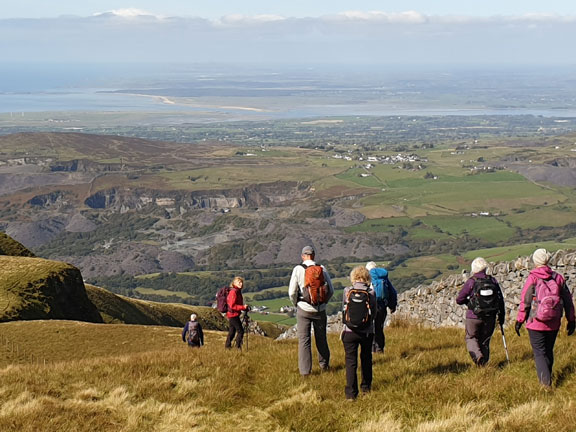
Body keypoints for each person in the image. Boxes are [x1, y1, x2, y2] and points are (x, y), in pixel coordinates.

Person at [515, 248, 575, 387]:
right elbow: (568, 300)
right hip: (554, 321)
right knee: (548, 350)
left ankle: (545, 385)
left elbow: (526, 300)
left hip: (535, 322)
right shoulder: (558, 278)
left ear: (535, 262)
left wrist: (519, 320)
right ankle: (548, 376)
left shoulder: (533, 278)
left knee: (539, 353)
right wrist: (571, 320)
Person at [288, 245, 334, 376]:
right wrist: (323, 303)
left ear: (303, 256)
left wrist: (296, 303)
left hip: (304, 308)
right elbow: (331, 290)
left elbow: (292, 292)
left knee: (304, 340)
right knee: (321, 338)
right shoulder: (322, 269)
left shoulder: (298, 269)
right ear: (313, 256)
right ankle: (324, 366)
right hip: (320, 309)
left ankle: (305, 372)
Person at [456, 257, 505, 366]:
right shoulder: (493, 281)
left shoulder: (472, 281)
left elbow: (459, 299)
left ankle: (478, 357)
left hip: (473, 316)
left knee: (471, 337)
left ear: (473, 269)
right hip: (490, 316)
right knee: (485, 340)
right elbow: (500, 299)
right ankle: (484, 365)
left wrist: (469, 304)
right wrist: (501, 316)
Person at [341, 266, 377, 400]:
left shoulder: (347, 291)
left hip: (349, 332)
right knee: (366, 359)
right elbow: (374, 313)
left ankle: (351, 394)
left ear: (353, 278)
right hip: (366, 332)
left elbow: (344, 311)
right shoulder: (371, 293)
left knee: (351, 362)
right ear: (367, 278)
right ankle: (366, 388)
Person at [365, 261, 397, 354]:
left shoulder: (368, 277)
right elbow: (392, 292)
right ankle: (379, 348)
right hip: (382, 305)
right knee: (379, 327)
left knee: (370, 327)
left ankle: (371, 348)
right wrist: (392, 306)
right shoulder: (384, 278)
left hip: (370, 305)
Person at [225, 276, 249, 350]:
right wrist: (243, 307)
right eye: (239, 282)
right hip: (233, 314)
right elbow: (232, 305)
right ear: (234, 283)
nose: (241, 284)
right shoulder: (234, 292)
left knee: (232, 331)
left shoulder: (236, 291)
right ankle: (237, 347)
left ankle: (227, 346)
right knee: (240, 331)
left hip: (232, 314)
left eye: (241, 282)